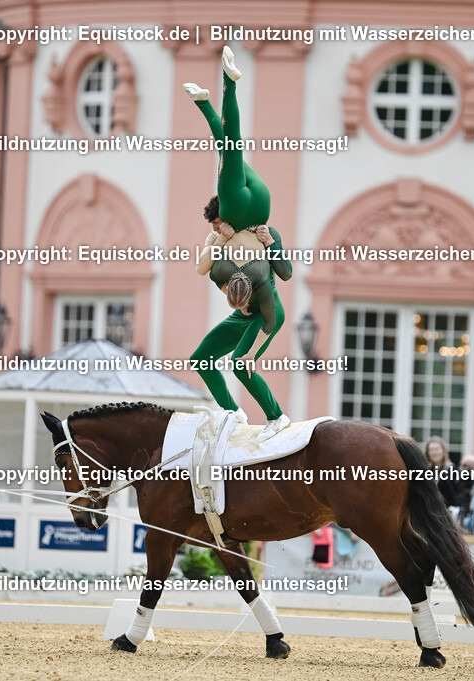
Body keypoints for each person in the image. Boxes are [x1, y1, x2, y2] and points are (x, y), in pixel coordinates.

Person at [185, 46, 293, 442]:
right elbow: (201, 268)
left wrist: (273, 245)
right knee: (202, 359)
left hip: (266, 309)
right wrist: (217, 236)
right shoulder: (228, 246)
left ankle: (276, 417)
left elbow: (286, 274)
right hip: (257, 202)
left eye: (216, 225)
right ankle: (232, 412)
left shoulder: (248, 229)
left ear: (221, 218)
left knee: (229, 148)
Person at [424, 436, 462, 511]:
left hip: (448, 512)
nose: (434, 452)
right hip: (431, 512)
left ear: (443, 451)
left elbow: (457, 493)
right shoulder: (427, 471)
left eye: (437, 449)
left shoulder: (451, 469)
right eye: (431, 450)